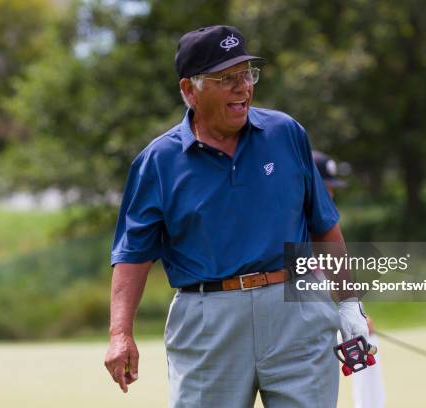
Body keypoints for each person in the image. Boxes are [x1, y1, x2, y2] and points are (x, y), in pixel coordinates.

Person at [104, 25, 369, 408]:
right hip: (208, 322)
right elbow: (133, 255)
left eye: (246, 74)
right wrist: (120, 334)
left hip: (298, 312)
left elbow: (323, 226)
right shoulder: (158, 161)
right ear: (189, 90)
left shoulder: (286, 133)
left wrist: (347, 302)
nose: (242, 87)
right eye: (226, 78)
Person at [314, 150, 386, 408]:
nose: (331, 195)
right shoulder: (293, 219)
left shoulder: (325, 221)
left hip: (325, 308)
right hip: (299, 319)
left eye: (332, 189)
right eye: (326, 188)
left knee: (366, 340)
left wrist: (357, 312)